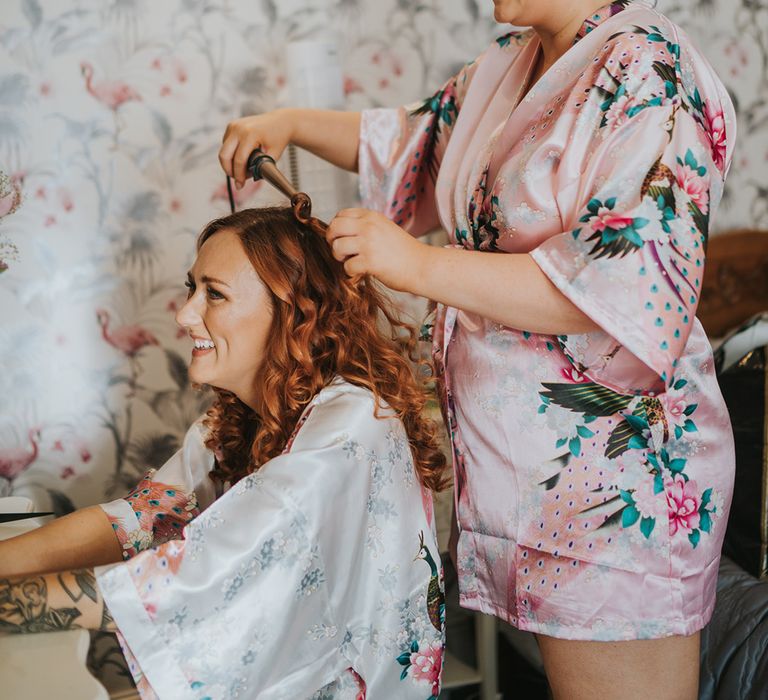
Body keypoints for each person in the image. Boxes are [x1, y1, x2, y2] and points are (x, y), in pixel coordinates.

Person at [218, 1, 736, 698]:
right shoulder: (511, 62)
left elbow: (618, 282)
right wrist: (289, 124)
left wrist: (417, 265)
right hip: (532, 483)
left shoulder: (649, 69)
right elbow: (412, 142)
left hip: (616, 489)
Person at [0, 200, 449, 699]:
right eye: (193, 288)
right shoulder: (234, 418)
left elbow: (196, 574)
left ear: (292, 310)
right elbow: (137, 520)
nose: (186, 312)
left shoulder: (351, 428)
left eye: (214, 294)